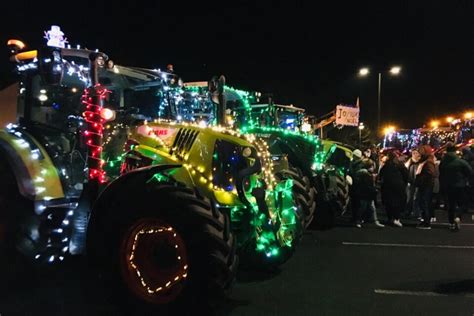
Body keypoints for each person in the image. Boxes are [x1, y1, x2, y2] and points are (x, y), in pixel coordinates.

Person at [439, 143, 473, 231]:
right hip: (460, 185)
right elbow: (470, 172)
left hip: (448, 185)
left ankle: (451, 223)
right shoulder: (460, 161)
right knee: (463, 203)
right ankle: (458, 216)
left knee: (451, 204)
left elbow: (441, 173)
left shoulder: (443, 161)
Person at [379, 151, 408, 227]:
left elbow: (381, 175)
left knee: (389, 203)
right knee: (397, 204)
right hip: (398, 187)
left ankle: (390, 218)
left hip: (387, 187)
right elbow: (406, 175)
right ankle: (396, 219)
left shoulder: (386, 166)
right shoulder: (400, 165)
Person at [353, 159, 384, 228]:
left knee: (371, 208)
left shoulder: (365, 174)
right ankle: (358, 221)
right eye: (372, 167)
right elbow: (367, 185)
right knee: (363, 208)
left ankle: (374, 221)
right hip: (365, 194)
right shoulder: (365, 174)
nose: (373, 168)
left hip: (367, 194)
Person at [415, 145, 436, 229]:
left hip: (426, 186)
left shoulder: (428, 161)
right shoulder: (424, 160)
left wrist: (421, 179)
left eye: (421, 150)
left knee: (425, 202)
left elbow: (430, 173)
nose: (420, 152)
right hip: (424, 185)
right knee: (423, 202)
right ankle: (425, 220)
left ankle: (426, 222)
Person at [404, 149, 421, 218]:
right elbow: (405, 171)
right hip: (410, 183)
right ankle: (408, 211)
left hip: (418, 183)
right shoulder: (409, 162)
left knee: (416, 198)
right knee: (409, 198)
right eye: (413, 153)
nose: (415, 155)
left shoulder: (421, 163)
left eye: (416, 153)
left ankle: (416, 212)